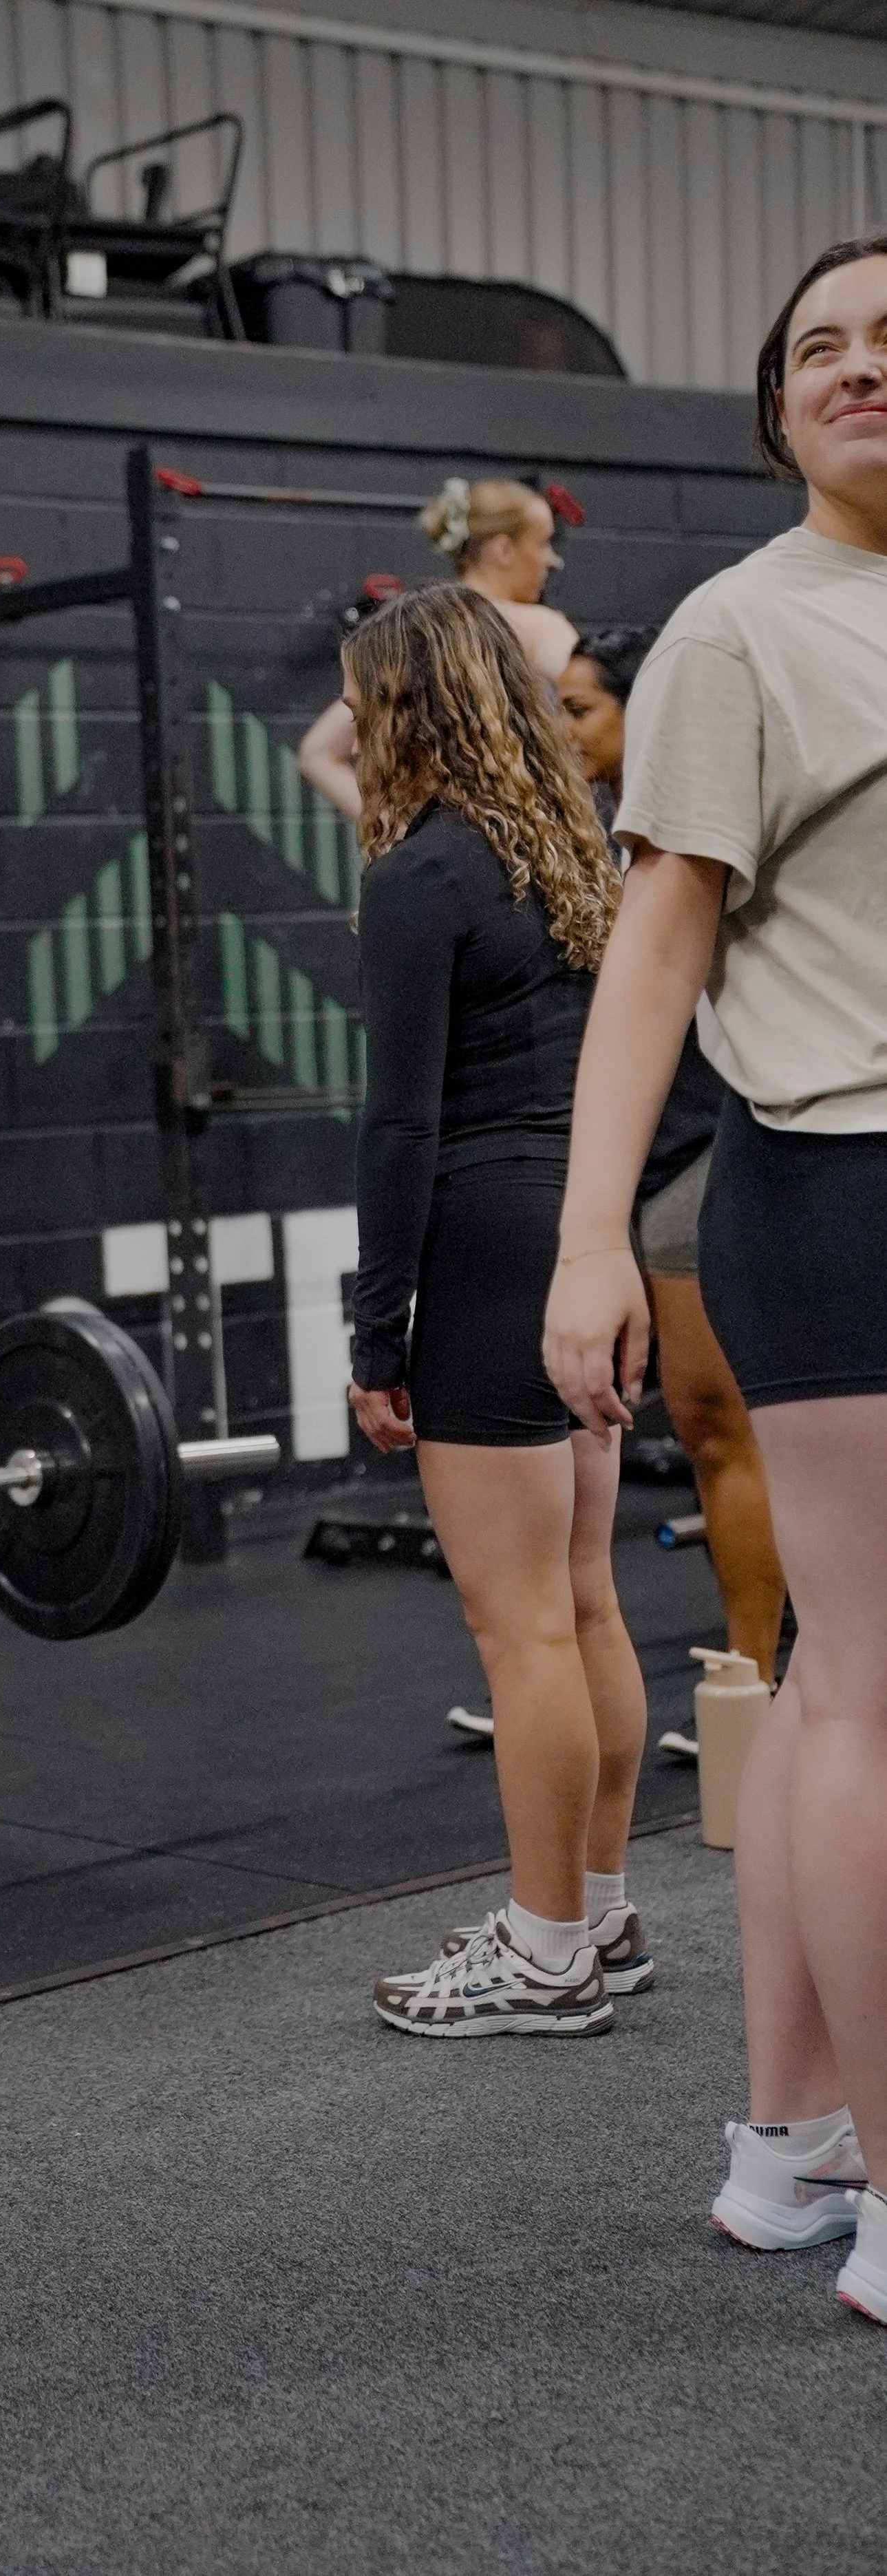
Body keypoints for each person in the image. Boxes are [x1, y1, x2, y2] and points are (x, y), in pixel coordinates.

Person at [543, 234, 887, 2321]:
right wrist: (589, 1236)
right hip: (839, 1178)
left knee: (845, 1688)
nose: (856, 368)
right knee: (868, 1687)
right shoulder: (735, 630)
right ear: (773, 408)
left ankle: (782, 2146)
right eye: (818, 350)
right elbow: (654, 948)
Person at [344, 586, 649, 2037]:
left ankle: (541, 1956)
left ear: (406, 708)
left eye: (361, 701)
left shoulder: (418, 872)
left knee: (516, 1621)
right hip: (582, 1239)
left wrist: (369, 1334)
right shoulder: (566, 853)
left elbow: (395, 1129)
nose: (347, 726)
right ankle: (589, 1915)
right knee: (578, 1596)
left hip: (481, 1251)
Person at [559, 629, 785, 1724]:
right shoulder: (579, 838)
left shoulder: (692, 825)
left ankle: (755, 1685)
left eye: (582, 711)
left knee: (716, 1425)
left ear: (641, 715)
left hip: (706, 1149)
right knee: (689, 1433)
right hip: (625, 1164)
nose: (564, 731)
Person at [299, 478, 579, 822]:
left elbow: (318, 753)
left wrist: (401, 831)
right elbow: (605, 697)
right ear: (503, 550)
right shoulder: (536, 625)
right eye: (544, 544)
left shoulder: (413, 632)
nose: (552, 560)